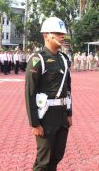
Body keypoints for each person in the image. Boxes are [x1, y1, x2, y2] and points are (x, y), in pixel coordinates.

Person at [25, 16, 72, 171]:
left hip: (61, 115)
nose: (61, 36)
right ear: (46, 35)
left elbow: (68, 88)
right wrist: (35, 123)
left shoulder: (64, 59)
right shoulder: (37, 59)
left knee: (57, 156)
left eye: (62, 33)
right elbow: (30, 93)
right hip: (46, 116)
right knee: (43, 161)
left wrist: (69, 113)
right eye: (57, 33)